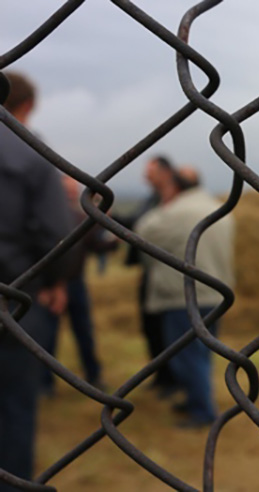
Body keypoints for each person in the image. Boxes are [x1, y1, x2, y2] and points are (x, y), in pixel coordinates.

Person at [0, 71, 72, 486]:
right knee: (13, 406)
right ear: (27, 106)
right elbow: (54, 232)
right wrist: (56, 281)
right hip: (15, 297)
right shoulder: (31, 152)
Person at [135, 165, 233, 428]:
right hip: (215, 293)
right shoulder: (216, 207)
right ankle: (195, 399)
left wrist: (165, 202)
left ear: (174, 186)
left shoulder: (175, 211)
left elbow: (142, 231)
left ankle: (202, 411)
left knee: (187, 355)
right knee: (203, 352)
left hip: (183, 295)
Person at [41, 176, 117, 394]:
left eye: (74, 191)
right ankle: (45, 382)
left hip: (76, 283)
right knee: (47, 335)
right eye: (66, 190)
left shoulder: (82, 219)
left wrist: (113, 237)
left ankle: (93, 375)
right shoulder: (45, 218)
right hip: (50, 284)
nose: (71, 194)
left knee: (84, 331)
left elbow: (97, 245)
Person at [115, 156, 177, 397]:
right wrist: (111, 215)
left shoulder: (171, 199)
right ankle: (161, 375)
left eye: (150, 172)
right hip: (150, 271)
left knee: (166, 327)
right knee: (150, 325)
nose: (146, 177)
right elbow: (136, 224)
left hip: (168, 272)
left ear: (165, 172)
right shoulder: (152, 199)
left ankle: (172, 379)